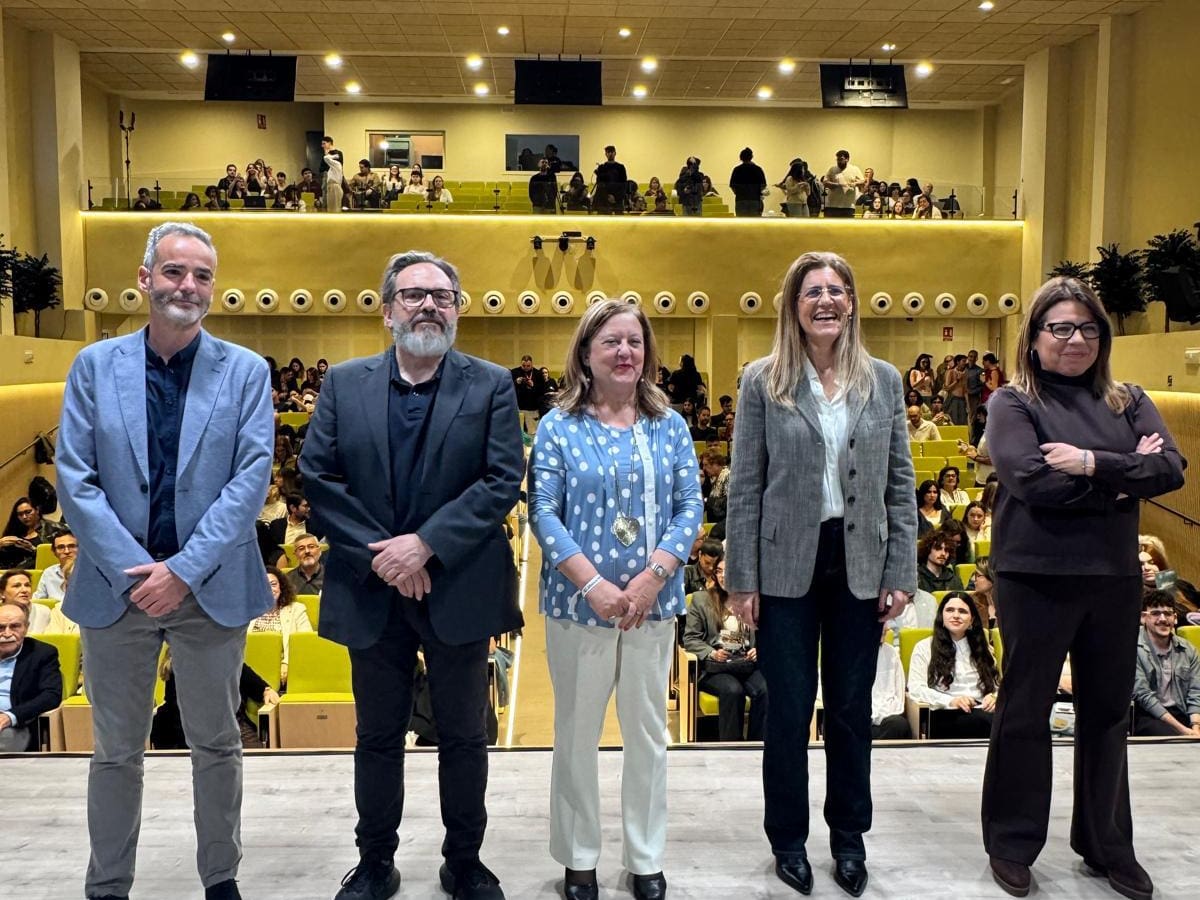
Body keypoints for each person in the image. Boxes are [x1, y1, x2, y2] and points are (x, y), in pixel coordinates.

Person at [56, 221, 274, 900]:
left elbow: (250, 481)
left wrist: (183, 569)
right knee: (116, 751)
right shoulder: (94, 366)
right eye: (175, 271)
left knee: (217, 743)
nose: (189, 286)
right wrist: (138, 571)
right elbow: (75, 479)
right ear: (145, 278)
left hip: (208, 589)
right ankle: (108, 885)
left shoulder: (246, 371)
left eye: (202, 275)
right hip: (115, 589)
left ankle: (221, 879)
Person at [300, 250, 524, 900]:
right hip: (371, 586)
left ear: (457, 308)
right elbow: (319, 477)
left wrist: (425, 546)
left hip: (458, 583)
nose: (428, 305)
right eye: (414, 294)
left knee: (464, 735)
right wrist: (388, 557)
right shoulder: (344, 383)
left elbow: (501, 480)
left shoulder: (490, 384)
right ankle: (375, 862)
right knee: (376, 736)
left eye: (442, 295)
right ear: (387, 310)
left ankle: (465, 861)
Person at [980, 276, 1186, 900]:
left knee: (1107, 712)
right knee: (1025, 709)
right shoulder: (1013, 401)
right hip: (1034, 575)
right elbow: (1029, 478)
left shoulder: (1129, 398)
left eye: (1088, 328)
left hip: (1112, 577)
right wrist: (1124, 482)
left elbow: (1170, 468)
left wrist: (1092, 463)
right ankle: (1012, 842)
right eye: (1061, 328)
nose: (1075, 339)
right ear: (1035, 337)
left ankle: (1107, 846)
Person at [724, 251, 916, 898]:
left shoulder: (883, 380)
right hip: (784, 565)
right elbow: (745, 485)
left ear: (852, 302)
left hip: (860, 561)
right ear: (793, 306)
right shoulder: (762, 380)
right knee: (788, 708)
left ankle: (849, 838)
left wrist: (901, 570)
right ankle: (787, 839)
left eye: (837, 289)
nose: (826, 300)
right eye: (812, 292)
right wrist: (741, 578)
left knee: (851, 710)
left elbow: (900, 484)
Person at [528, 298, 701, 900]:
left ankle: (645, 856)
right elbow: (543, 512)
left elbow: (690, 506)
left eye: (635, 341)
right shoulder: (558, 425)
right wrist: (593, 585)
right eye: (611, 342)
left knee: (648, 733)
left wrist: (653, 577)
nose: (625, 352)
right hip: (578, 606)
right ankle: (579, 856)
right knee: (577, 732)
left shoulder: (669, 424)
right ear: (585, 353)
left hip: (654, 605)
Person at [683, 557, 767, 741]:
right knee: (732, 691)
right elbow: (690, 639)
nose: (722, 576)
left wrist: (760, 648)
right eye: (719, 571)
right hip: (717, 667)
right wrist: (712, 652)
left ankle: (757, 746)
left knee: (765, 689)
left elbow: (768, 632)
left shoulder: (752, 600)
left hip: (747, 663)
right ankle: (732, 746)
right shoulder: (701, 600)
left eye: (727, 571)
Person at [907, 592, 999, 738]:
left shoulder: (984, 648)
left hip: (982, 710)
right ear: (941, 617)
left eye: (962, 611)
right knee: (989, 723)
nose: (956, 615)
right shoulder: (924, 647)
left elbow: (996, 686)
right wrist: (951, 701)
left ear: (972, 620)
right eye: (950, 610)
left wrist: (994, 697)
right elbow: (916, 688)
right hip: (945, 711)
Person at [1132, 590, 1200, 737]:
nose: (1163, 619)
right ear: (1143, 618)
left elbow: (1196, 692)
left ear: (1175, 618)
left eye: (1168, 614)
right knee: (1171, 737)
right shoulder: (1132, 648)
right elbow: (1143, 696)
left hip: (1181, 711)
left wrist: (1195, 726)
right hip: (1148, 715)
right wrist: (1184, 731)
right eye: (1155, 613)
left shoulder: (1188, 650)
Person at [0, 601, 63, 751]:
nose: (7, 634)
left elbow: (51, 695)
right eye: (0, 627)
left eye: (15, 626)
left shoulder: (42, 654)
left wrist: (10, 717)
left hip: (16, 725)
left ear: (26, 628)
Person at [250, 566, 313, 686]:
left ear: (281, 587)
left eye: (273, 584)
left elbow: (305, 644)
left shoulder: (297, 610)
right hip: (252, 672)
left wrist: (287, 663)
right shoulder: (247, 613)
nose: (269, 589)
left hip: (287, 672)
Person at [868, 623, 910, 739]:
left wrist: (877, 716)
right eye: (881, 622)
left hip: (885, 720)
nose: (887, 628)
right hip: (856, 719)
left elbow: (898, 700)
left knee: (900, 725)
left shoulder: (891, 653)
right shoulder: (845, 653)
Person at [0, 496, 66, 569]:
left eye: (28, 512)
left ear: (37, 510)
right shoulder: (14, 531)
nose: (24, 517)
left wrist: (32, 549)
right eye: (20, 514)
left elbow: (55, 556)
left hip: (44, 571)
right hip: (14, 573)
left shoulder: (53, 528)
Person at [32, 529, 78, 601]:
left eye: (72, 546)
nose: (67, 551)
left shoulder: (92, 572)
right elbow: (37, 600)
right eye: (61, 547)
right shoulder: (48, 573)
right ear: (54, 552)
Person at [821, 150, 864, 218]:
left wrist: (855, 183)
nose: (839, 162)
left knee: (847, 224)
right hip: (832, 206)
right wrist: (837, 185)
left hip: (848, 206)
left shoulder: (854, 169)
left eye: (841, 159)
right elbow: (825, 182)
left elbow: (863, 182)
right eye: (837, 159)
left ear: (847, 159)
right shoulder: (832, 169)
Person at [511, 354, 548, 434]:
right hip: (519, 407)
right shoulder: (514, 372)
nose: (526, 368)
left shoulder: (538, 374)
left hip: (533, 408)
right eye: (523, 365)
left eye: (528, 366)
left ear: (532, 364)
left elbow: (542, 391)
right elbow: (509, 388)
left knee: (532, 432)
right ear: (521, 364)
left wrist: (533, 385)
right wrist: (516, 382)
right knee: (519, 433)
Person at [729, 147, 767, 217]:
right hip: (754, 199)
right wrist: (757, 192)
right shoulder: (758, 169)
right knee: (754, 220)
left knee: (741, 220)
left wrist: (738, 192)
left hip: (741, 199)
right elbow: (763, 185)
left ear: (741, 157)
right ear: (751, 157)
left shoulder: (737, 170)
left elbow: (732, 185)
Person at [592, 145, 627, 214]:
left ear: (615, 153)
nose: (610, 154)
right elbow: (599, 184)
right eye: (608, 152)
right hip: (604, 201)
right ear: (606, 154)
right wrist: (607, 196)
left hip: (617, 201)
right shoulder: (601, 167)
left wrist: (615, 197)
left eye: (612, 152)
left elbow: (623, 185)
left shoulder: (621, 167)